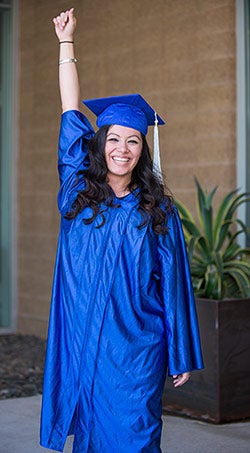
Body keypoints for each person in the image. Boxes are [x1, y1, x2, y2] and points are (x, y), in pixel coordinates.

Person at [40, 8, 203, 453]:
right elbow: (70, 110)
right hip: (84, 342)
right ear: (100, 144)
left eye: (133, 141)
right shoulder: (77, 193)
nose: (122, 148)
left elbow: (173, 283)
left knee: (136, 437)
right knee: (90, 439)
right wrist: (65, 44)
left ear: (141, 151)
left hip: (135, 347)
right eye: (113, 138)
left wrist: (179, 350)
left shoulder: (158, 210)